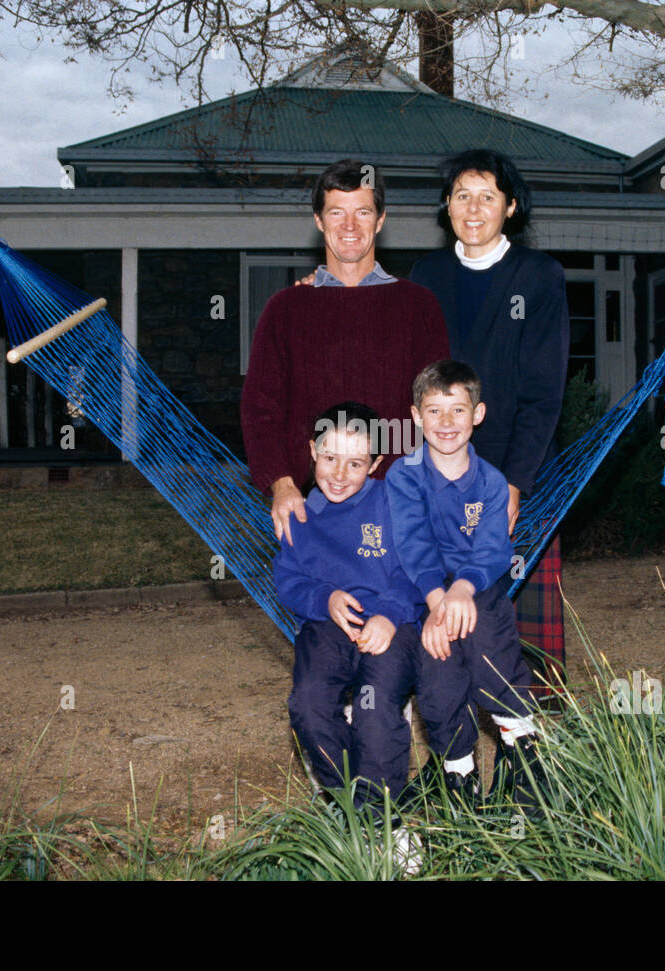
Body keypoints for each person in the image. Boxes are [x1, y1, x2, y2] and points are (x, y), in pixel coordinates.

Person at [409, 150, 570, 698]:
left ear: (511, 206)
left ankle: (535, 756)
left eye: (487, 196)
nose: (473, 208)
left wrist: (515, 483)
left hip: (518, 474)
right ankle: (452, 753)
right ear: (446, 206)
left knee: (524, 628)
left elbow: (545, 394)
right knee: (447, 618)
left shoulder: (540, 277)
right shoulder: (426, 276)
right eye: (461, 195)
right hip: (443, 473)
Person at [240, 158, 450, 547]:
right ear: (319, 221)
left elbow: (437, 411)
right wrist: (282, 486)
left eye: (363, 212)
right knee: (320, 607)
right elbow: (260, 409)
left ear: (381, 219)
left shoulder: (419, 306)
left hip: (399, 509)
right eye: (337, 212)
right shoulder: (285, 309)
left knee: (400, 610)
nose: (349, 226)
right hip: (311, 510)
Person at [386, 360, 542, 805]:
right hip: (422, 591)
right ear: (415, 417)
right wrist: (439, 602)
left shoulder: (492, 482)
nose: (446, 422)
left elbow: (493, 550)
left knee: (489, 643)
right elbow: (412, 547)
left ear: (479, 413)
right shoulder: (404, 476)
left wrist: (462, 590)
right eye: (434, 411)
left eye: (458, 410)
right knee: (437, 675)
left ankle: (522, 752)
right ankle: (458, 773)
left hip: (477, 585)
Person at [275, 402, 423, 805]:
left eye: (355, 464)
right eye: (330, 458)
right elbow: (288, 582)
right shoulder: (299, 516)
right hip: (327, 628)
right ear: (312, 451)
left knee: (373, 706)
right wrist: (325, 597)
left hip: (393, 626)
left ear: (375, 465)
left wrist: (390, 616)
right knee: (308, 704)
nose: (339, 475)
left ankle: (380, 814)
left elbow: (416, 571)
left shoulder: (394, 505)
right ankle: (348, 800)